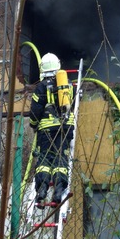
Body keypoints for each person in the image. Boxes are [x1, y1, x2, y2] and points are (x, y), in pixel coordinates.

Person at [29, 53, 74, 207]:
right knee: (61, 160)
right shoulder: (68, 84)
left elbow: (35, 111)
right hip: (65, 130)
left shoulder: (41, 87)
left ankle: (42, 192)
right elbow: (71, 106)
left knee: (44, 160)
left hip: (46, 131)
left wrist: (33, 124)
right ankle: (58, 192)